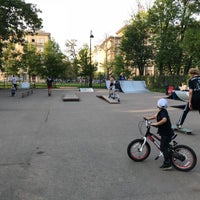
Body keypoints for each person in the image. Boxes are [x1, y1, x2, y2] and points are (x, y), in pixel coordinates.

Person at [144, 98, 174, 170]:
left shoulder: (163, 112)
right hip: (166, 132)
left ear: (158, 105)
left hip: (166, 133)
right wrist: (148, 118)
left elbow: (164, 119)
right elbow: (155, 116)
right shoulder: (161, 111)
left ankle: (168, 164)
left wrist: (155, 124)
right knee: (165, 145)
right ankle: (169, 155)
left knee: (163, 147)